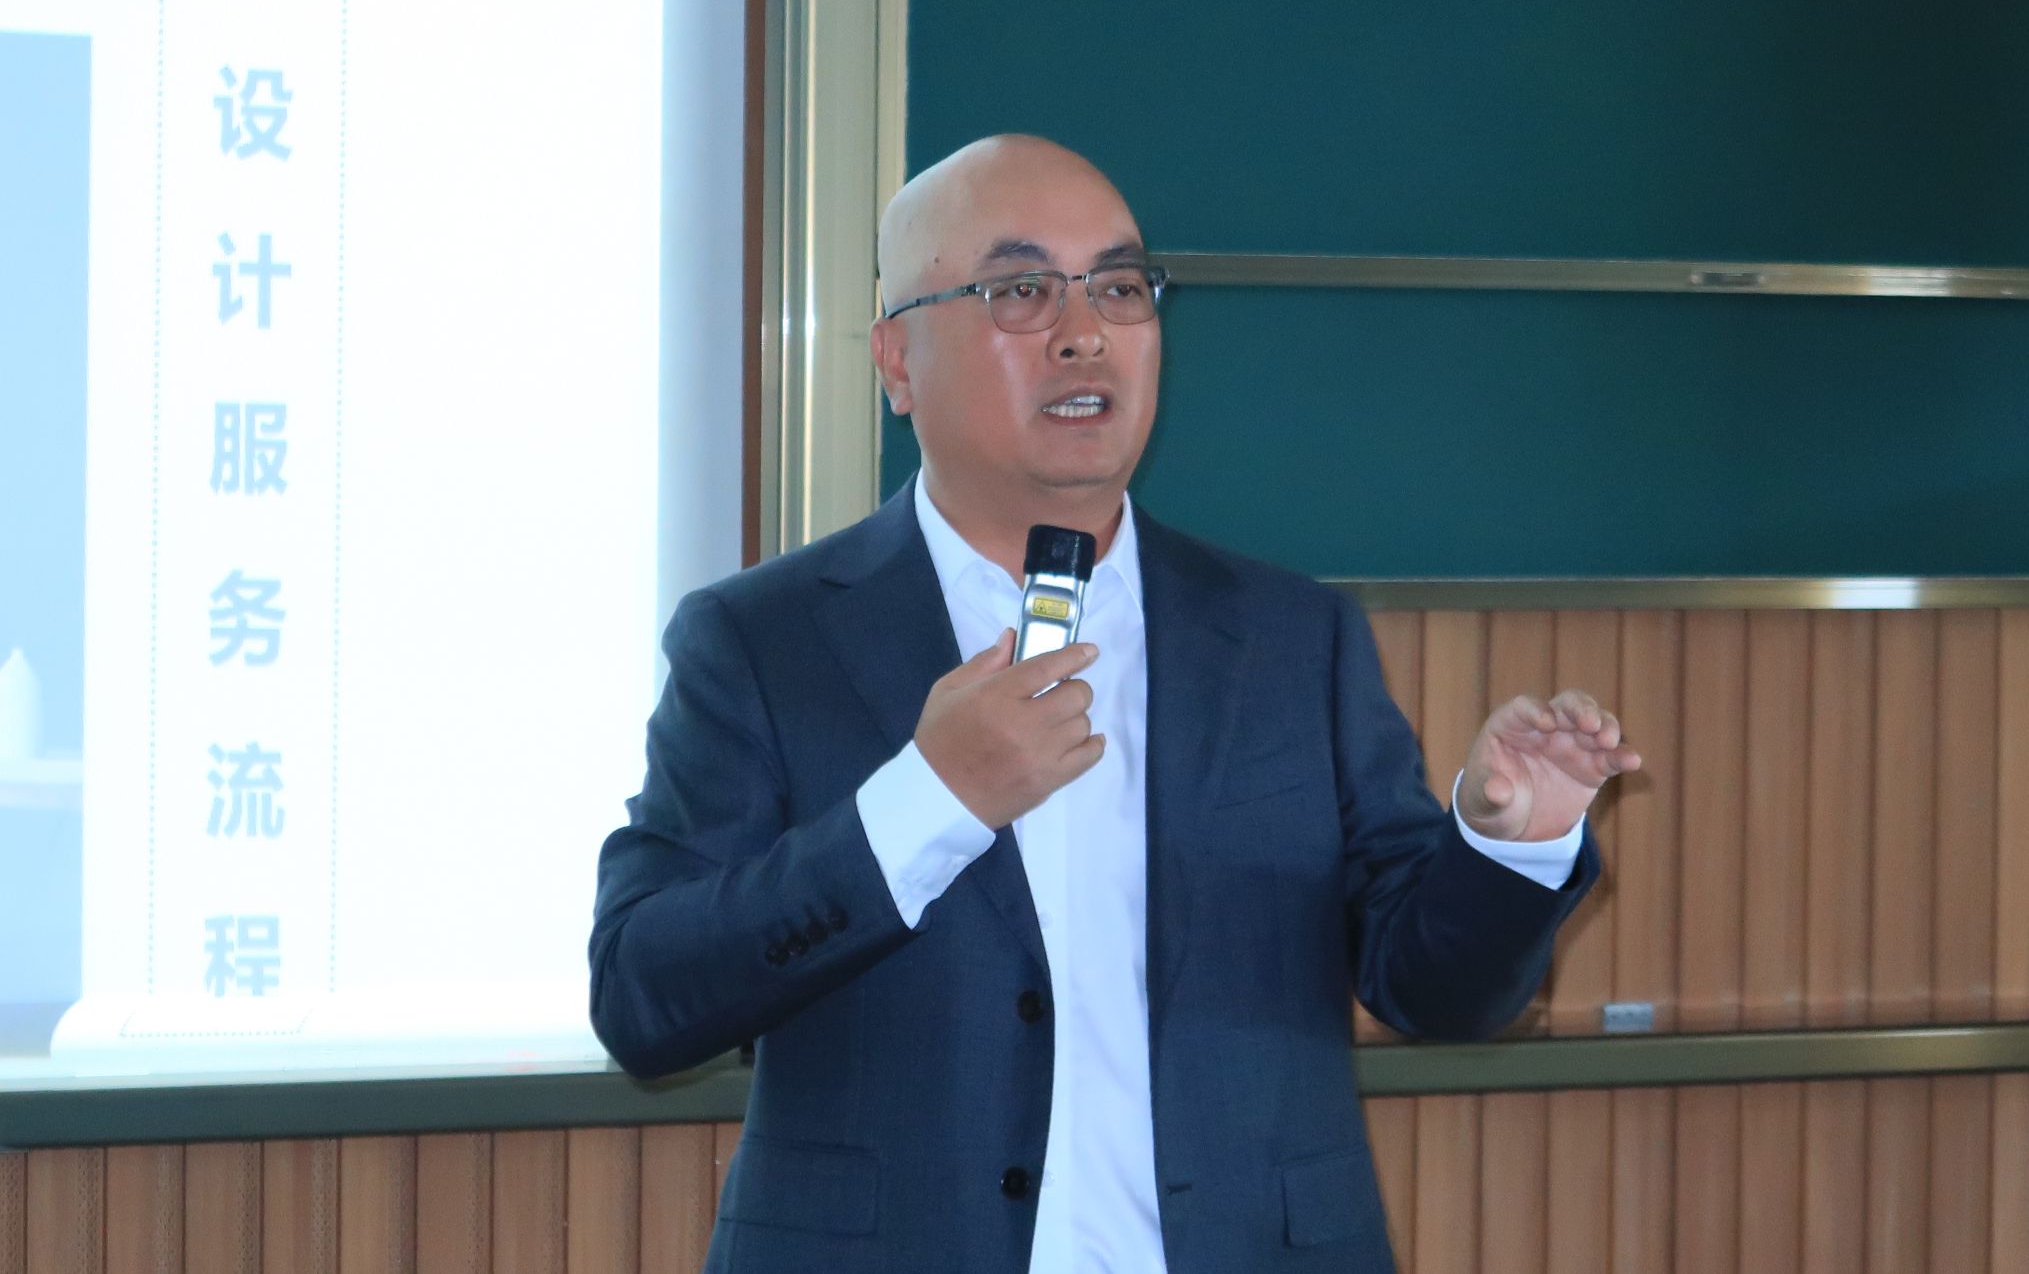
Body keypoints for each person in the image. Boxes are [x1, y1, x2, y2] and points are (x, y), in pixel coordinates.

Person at [589, 135, 1640, 1273]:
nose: (1083, 331)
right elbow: (645, 996)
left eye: (1121, 287)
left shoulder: (1290, 637)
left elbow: (1435, 991)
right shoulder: (763, 639)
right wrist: (928, 800)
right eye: (1020, 290)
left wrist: (1506, 845)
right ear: (897, 360)